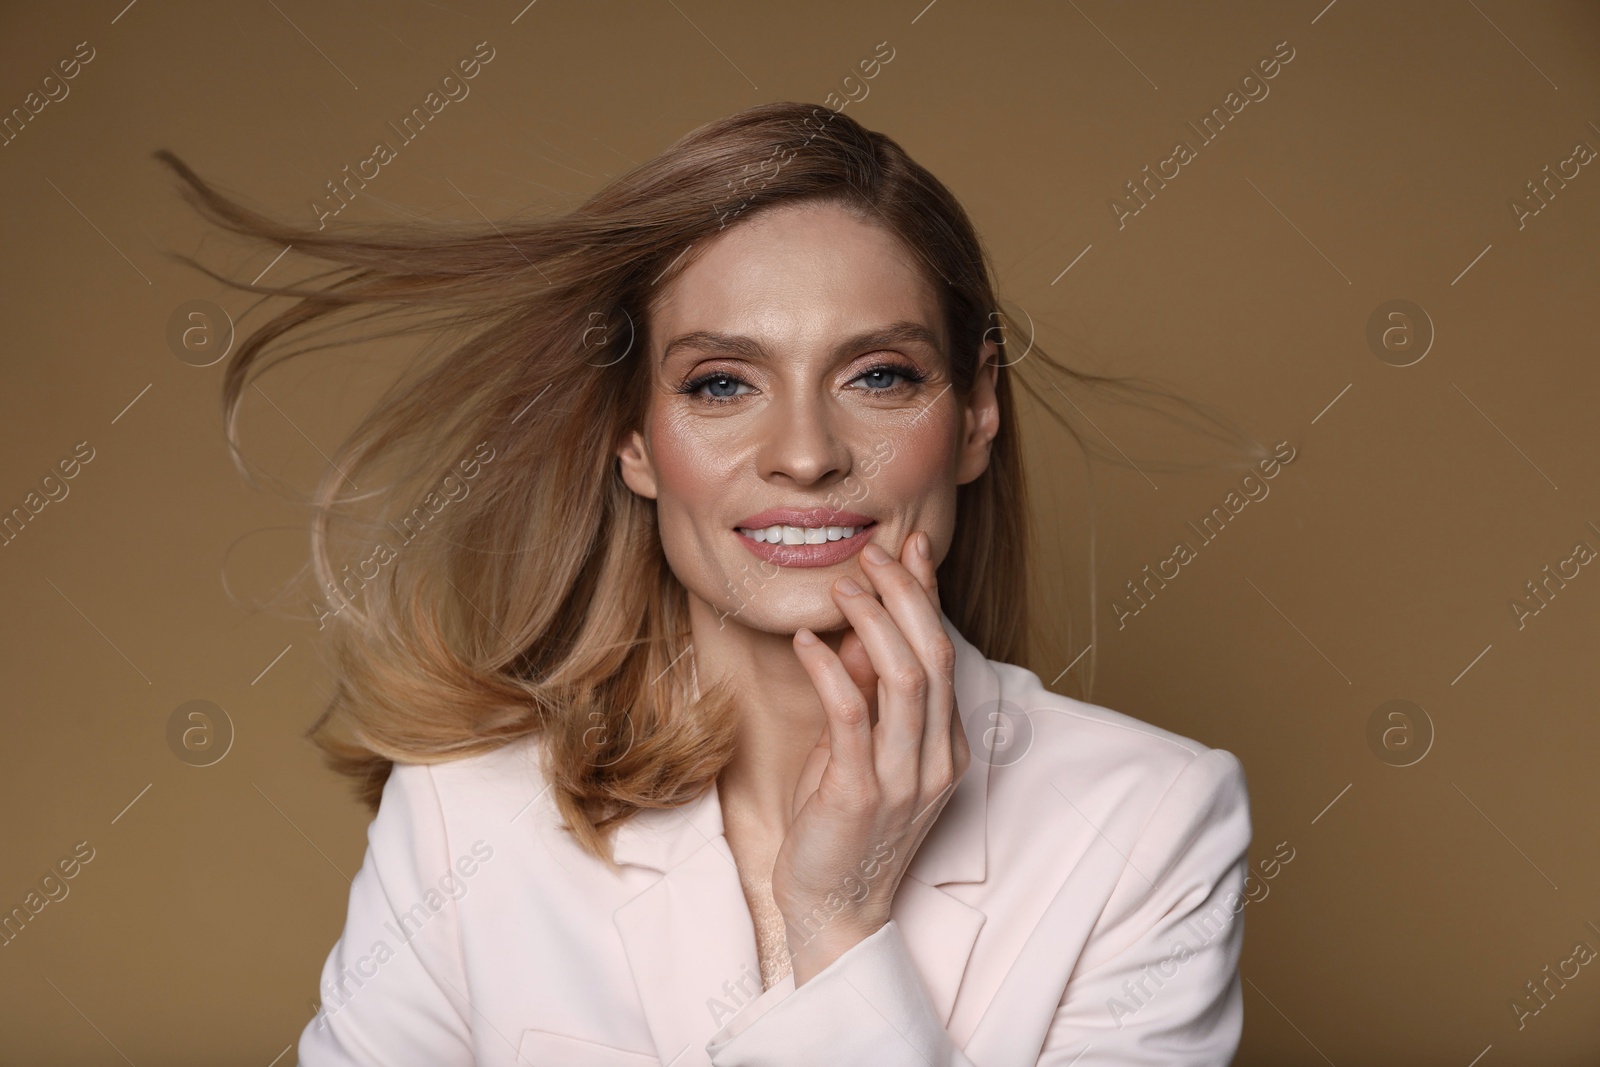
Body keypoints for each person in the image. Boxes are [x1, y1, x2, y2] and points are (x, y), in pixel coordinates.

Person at [159, 100, 1253, 1065]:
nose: (807, 452)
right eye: (722, 382)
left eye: (878, 375)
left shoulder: (1151, 822)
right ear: (635, 439)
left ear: (973, 414)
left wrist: (837, 921)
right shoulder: (458, 814)